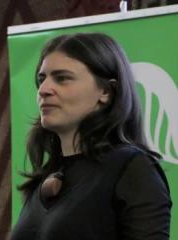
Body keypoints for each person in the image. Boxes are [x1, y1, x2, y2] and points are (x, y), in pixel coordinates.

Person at [9, 32, 172, 240]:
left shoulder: (132, 168)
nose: (44, 90)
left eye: (62, 78)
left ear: (105, 91)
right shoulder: (43, 179)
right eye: (42, 79)